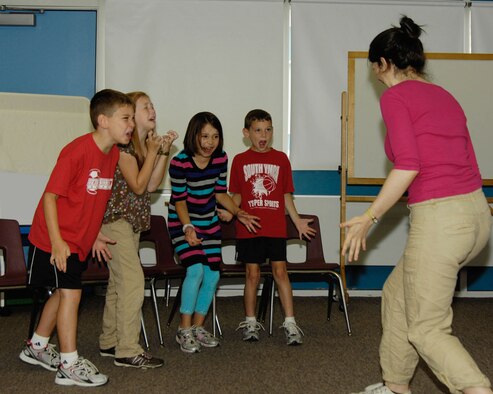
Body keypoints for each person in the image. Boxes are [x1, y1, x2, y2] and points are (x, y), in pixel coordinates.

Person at [341, 16, 493, 394]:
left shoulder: (395, 96)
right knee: (396, 295)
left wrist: (368, 218)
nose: (375, 76)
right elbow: (469, 159)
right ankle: (396, 386)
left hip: (441, 221)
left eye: (374, 67)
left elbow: (408, 164)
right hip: (476, 215)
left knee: (427, 328)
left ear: (384, 63)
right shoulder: (445, 96)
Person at [19, 89, 135, 387]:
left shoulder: (112, 156)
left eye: (132, 118)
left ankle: (37, 346)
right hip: (54, 237)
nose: (131, 124)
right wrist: (58, 242)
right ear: (103, 121)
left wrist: (94, 235)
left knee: (61, 293)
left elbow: (89, 201)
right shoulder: (77, 151)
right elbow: (50, 198)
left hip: (79, 240)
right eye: (125, 118)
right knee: (72, 294)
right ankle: (69, 364)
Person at [97, 91, 178, 368]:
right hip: (115, 221)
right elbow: (139, 186)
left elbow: (153, 185)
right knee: (132, 282)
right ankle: (127, 349)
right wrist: (156, 151)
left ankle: (110, 341)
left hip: (131, 224)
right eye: (145, 107)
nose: (152, 110)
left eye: (152, 105)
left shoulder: (143, 147)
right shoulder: (124, 150)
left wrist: (162, 151)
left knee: (118, 284)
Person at [167, 111, 260, 353]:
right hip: (182, 223)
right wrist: (187, 228)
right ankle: (183, 329)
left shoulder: (220, 160)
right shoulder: (180, 162)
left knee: (212, 276)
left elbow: (220, 193)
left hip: (209, 223)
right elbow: (179, 200)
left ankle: (198, 327)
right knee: (195, 270)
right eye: (205, 136)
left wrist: (239, 212)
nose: (210, 142)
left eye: (215, 136)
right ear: (193, 136)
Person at [228, 109, 316, 345]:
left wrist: (296, 220)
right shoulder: (239, 160)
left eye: (268, 129)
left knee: (280, 272)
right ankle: (250, 321)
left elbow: (286, 194)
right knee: (252, 275)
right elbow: (236, 194)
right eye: (257, 130)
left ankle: (290, 322)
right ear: (247, 133)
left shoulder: (281, 159)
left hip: (275, 228)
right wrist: (229, 210)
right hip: (249, 228)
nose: (263, 135)